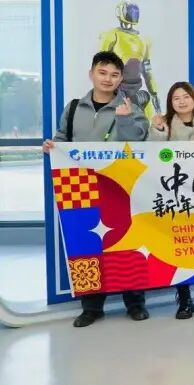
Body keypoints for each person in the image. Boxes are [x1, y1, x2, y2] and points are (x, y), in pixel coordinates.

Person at [43, 50, 150, 327]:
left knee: (126, 241)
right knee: (86, 243)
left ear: (120, 79)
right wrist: (52, 146)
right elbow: (63, 138)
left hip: (120, 186)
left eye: (114, 75)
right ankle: (91, 306)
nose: (108, 79)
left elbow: (138, 141)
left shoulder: (130, 106)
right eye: (102, 73)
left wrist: (125, 119)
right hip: (79, 186)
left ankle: (135, 302)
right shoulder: (73, 107)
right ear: (91, 74)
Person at [149, 81, 194, 318]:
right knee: (179, 247)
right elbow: (152, 154)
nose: (181, 101)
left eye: (186, 96)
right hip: (175, 195)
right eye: (176, 98)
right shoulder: (164, 124)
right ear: (170, 102)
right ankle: (184, 299)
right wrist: (157, 131)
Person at [98, 1, 160, 119]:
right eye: (130, 11)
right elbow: (100, 66)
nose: (133, 14)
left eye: (134, 12)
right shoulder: (112, 35)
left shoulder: (144, 40)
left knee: (146, 118)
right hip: (117, 90)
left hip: (135, 90)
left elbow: (147, 69)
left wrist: (154, 93)